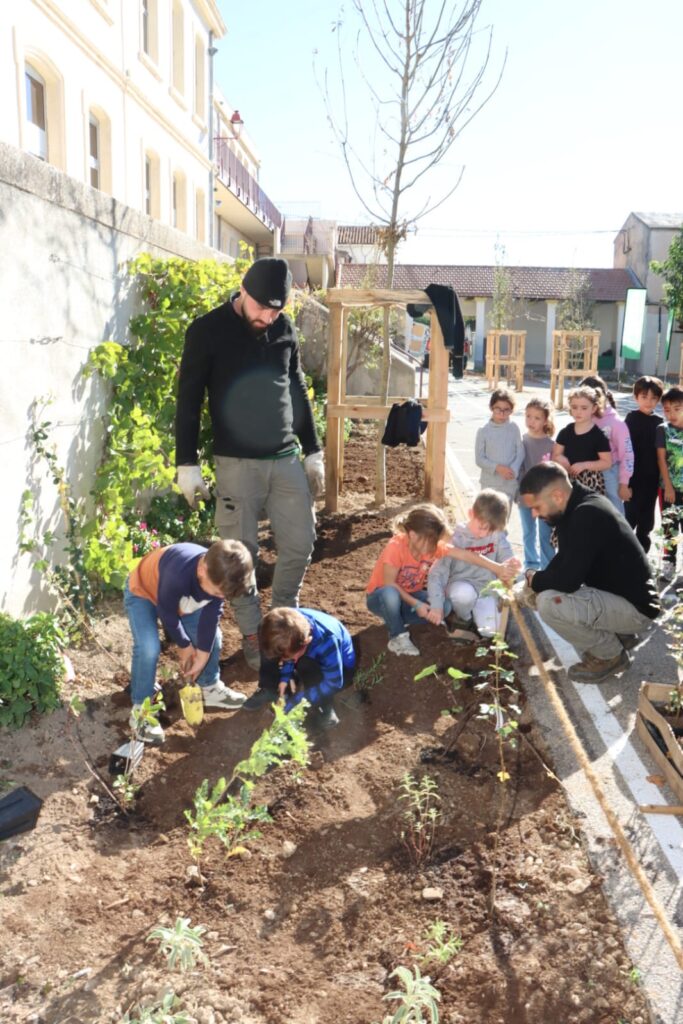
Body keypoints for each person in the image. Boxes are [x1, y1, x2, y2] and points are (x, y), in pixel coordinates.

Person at [174, 257, 325, 672]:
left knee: (300, 542)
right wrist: (186, 463)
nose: (269, 317)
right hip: (236, 463)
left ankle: (281, 618)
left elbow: (296, 389)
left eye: (277, 310)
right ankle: (252, 633)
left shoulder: (284, 328)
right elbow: (188, 400)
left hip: (284, 457)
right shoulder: (207, 330)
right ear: (243, 291)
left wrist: (312, 450)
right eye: (262, 307)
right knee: (241, 559)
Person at [518, 462, 660, 683]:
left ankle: (610, 655)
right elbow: (564, 561)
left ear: (556, 495)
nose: (535, 514)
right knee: (548, 589)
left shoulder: (586, 514)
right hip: (622, 598)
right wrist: (535, 580)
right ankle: (619, 634)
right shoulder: (576, 504)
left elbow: (567, 580)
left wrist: (535, 580)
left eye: (536, 507)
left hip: (636, 610)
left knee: (550, 603)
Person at [124, 540, 253, 743]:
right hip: (143, 592)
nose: (221, 597)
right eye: (219, 593)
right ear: (202, 570)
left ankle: (209, 687)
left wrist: (201, 656)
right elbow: (167, 614)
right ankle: (141, 711)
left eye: (224, 595)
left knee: (214, 639)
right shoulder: (178, 574)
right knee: (148, 648)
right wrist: (184, 645)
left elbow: (211, 616)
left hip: (185, 598)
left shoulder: (218, 576)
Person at [365, 503, 516, 656]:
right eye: (431, 541)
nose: (434, 547)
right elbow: (389, 583)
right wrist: (417, 604)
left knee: (444, 606)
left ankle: (398, 618)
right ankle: (397, 636)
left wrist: (497, 568)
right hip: (380, 599)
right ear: (413, 535)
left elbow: (468, 555)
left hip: (409, 597)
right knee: (390, 594)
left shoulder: (433, 545)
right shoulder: (396, 546)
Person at [243, 607, 356, 731]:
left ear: (307, 643)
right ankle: (272, 689)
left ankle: (325, 707)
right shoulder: (285, 622)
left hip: (340, 672)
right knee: (269, 638)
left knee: (306, 665)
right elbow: (289, 652)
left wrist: (296, 701)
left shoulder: (327, 641)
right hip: (306, 652)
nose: (283, 660)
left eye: (289, 658)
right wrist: (284, 679)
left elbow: (334, 682)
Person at [428, 489, 520, 640]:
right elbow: (437, 573)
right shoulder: (455, 537)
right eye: (482, 527)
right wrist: (436, 605)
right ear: (471, 514)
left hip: (486, 589)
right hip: (460, 586)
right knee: (463, 595)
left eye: (490, 530)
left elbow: (507, 558)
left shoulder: (497, 536)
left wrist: (513, 565)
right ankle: (463, 619)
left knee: (490, 632)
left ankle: (477, 620)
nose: (484, 534)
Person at [579, 374, 634, 514]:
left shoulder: (615, 423)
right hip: (586, 472)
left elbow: (627, 454)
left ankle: (618, 536)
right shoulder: (582, 419)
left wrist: (624, 483)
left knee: (614, 512)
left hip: (610, 472)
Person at [624, 375, 664, 553]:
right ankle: (623, 559)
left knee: (646, 523)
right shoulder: (630, 420)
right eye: (644, 397)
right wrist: (624, 482)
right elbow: (625, 452)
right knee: (628, 520)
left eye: (653, 398)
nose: (649, 401)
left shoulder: (660, 423)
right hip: (633, 480)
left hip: (652, 480)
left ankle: (642, 560)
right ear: (635, 397)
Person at [517, 397, 555, 571]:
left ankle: (549, 567)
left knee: (545, 533)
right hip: (526, 495)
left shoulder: (552, 445)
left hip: (545, 498)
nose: (531, 421)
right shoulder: (521, 441)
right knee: (528, 532)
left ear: (546, 420)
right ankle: (531, 565)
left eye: (537, 418)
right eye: (528, 416)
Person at [552, 385, 612, 494]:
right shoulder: (565, 432)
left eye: (584, 408)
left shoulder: (599, 436)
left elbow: (607, 462)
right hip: (567, 481)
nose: (578, 412)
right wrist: (562, 460)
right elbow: (556, 454)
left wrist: (584, 465)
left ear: (593, 408)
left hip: (591, 484)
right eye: (574, 407)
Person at [474, 387, 525, 510]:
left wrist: (513, 469)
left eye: (506, 410)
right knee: (488, 520)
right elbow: (479, 459)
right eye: (498, 409)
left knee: (502, 522)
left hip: (509, 484)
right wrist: (498, 468)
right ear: (491, 407)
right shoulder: (483, 431)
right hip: (489, 484)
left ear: (511, 410)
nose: (502, 413)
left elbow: (520, 452)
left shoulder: (514, 428)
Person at [656, 385, 683, 582]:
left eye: (677, 408)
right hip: (669, 490)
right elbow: (661, 459)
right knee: (669, 528)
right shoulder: (662, 430)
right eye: (667, 409)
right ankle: (668, 564)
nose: (671, 414)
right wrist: (668, 486)